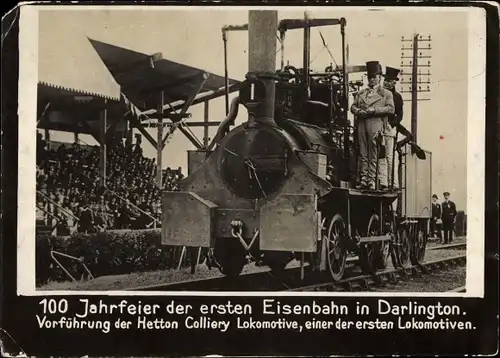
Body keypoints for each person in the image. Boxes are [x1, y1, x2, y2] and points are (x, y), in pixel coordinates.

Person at [351, 61, 395, 189]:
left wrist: (374, 110)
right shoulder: (361, 93)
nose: (371, 80)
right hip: (362, 124)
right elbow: (353, 106)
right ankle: (364, 180)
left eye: (374, 77)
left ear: (380, 78)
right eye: (370, 77)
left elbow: (391, 109)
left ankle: (371, 180)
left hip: (376, 124)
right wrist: (358, 111)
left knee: (373, 153)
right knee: (363, 152)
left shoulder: (386, 94)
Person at [380, 66, 403, 189]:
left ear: (394, 83)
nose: (387, 83)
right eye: (386, 81)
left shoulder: (397, 97)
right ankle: (383, 181)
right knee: (380, 156)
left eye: (389, 81)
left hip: (389, 128)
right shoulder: (379, 94)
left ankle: (393, 182)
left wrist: (392, 124)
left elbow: (400, 115)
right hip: (379, 126)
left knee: (390, 156)